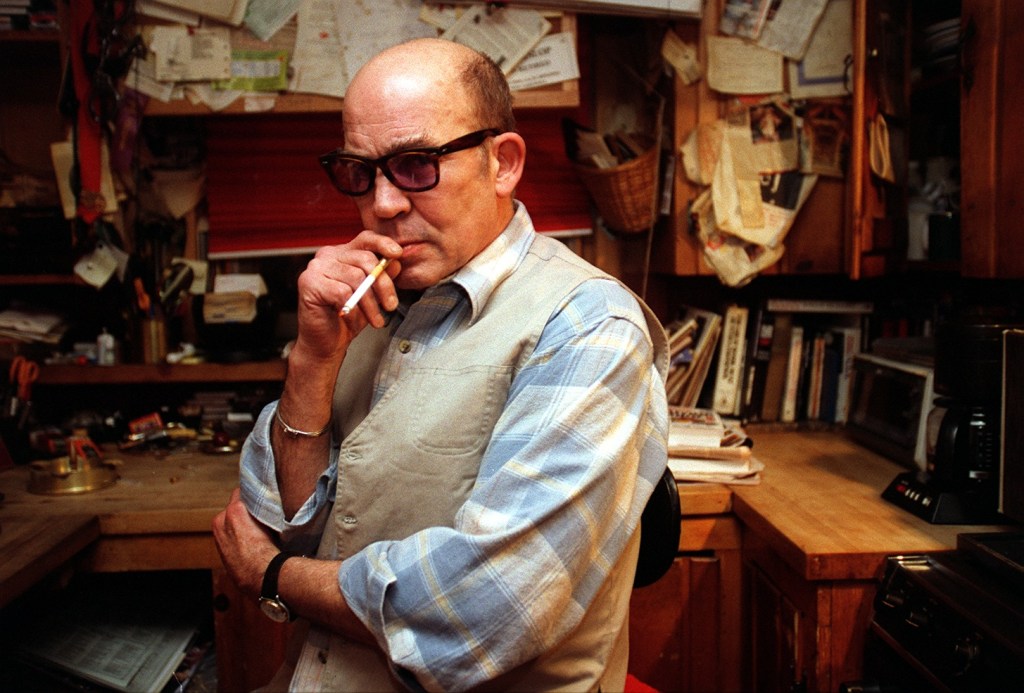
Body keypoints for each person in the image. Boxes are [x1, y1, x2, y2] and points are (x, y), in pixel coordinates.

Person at [212, 37, 669, 692]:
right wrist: (312, 361)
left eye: (416, 165)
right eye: (359, 171)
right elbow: (274, 519)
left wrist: (275, 577)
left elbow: (485, 609)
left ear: (503, 163)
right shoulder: (368, 302)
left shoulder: (586, 327)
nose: (383, 203)